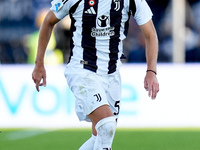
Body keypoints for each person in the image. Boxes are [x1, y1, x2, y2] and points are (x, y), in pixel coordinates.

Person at [32, 0, 159, 149]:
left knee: (99, 138)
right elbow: (48, 21)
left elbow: (150, 34)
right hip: (82, 70)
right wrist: (39, 63)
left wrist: (151, 70)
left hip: (112, 75)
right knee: (107, 125)